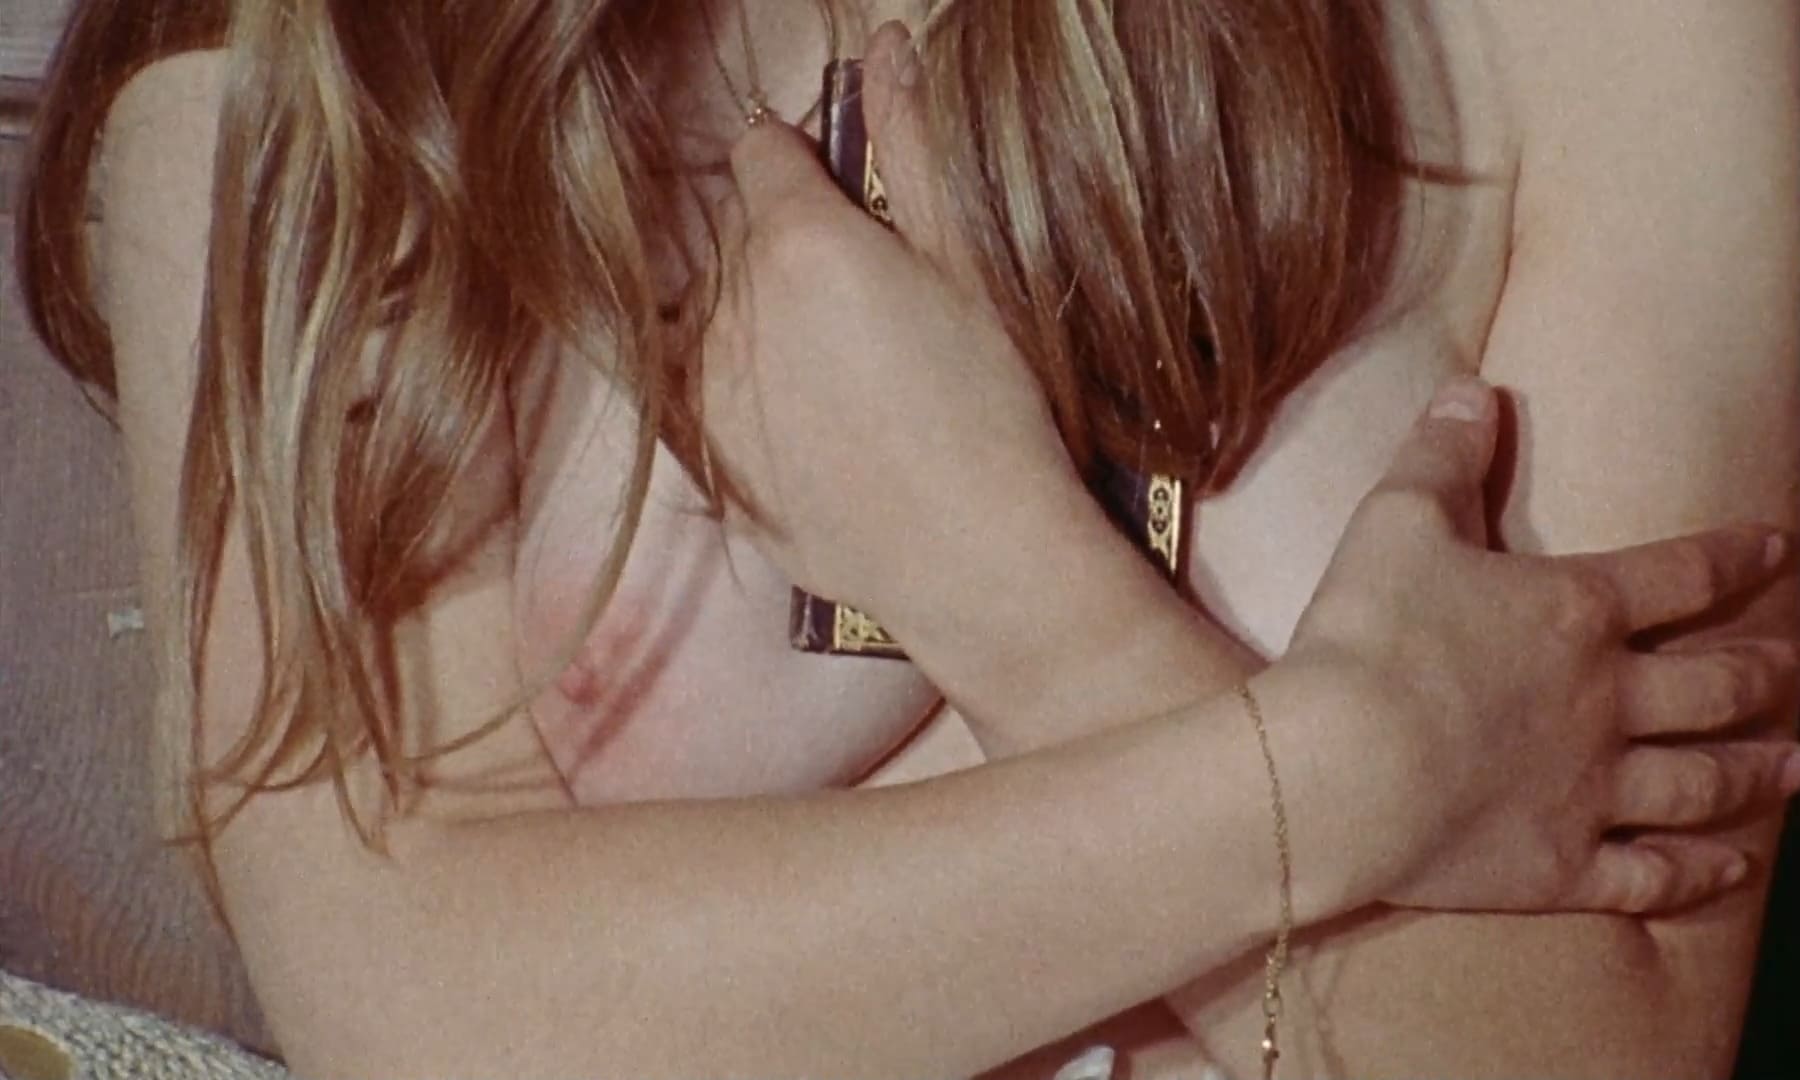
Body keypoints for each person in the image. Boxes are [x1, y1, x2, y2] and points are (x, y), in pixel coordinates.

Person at [16, 1, 1798, 1077]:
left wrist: (1009, 582)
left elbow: (1605, 1055)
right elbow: (416, 1007)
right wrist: (1356, 768)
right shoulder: (319, 69)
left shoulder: (1619, 36)